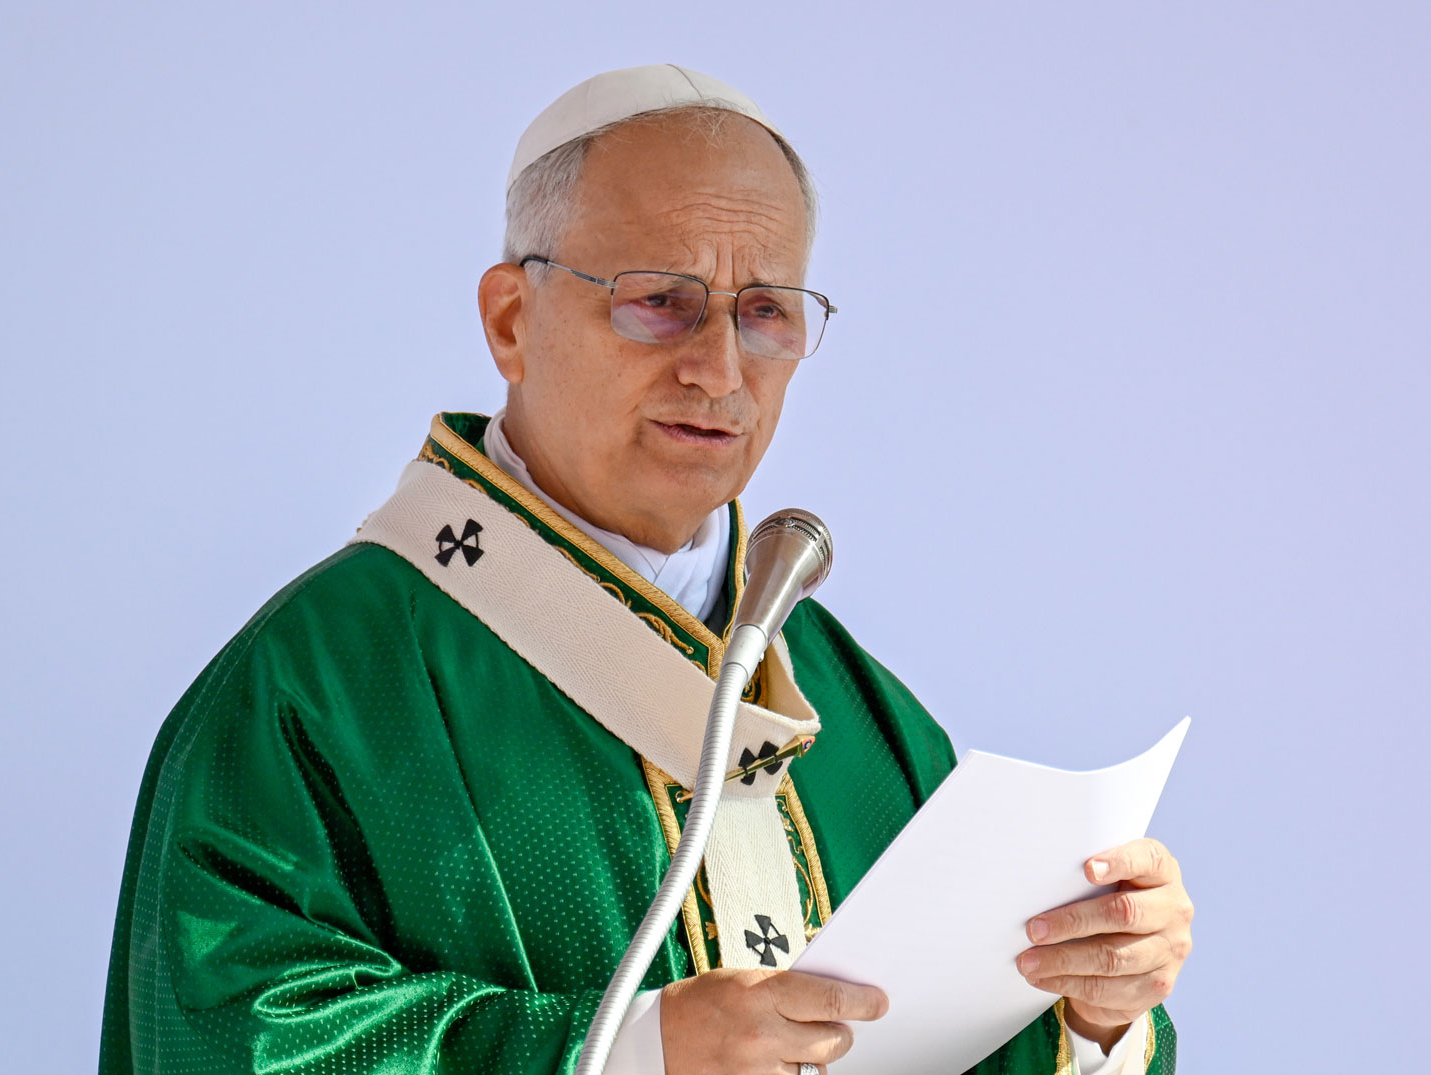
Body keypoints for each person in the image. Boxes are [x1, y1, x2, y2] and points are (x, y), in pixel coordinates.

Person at [99, 64, 1192, 1075]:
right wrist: (634, 1050)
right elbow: (222, 1032)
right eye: (659, 300)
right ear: (512, 318)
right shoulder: (320, 683)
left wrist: (1095, 1013)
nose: (719, 369)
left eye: (765, 313)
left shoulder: (865, 725)